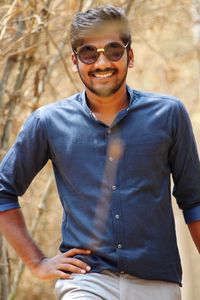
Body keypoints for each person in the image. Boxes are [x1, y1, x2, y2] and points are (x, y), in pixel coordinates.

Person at [0, 5, 199, 300]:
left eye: (113, 50)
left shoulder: (169, 115)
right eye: (89, 53)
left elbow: (194, 201)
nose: (101, 62)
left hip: (157, 284)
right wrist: (38, 262)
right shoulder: (48, 122)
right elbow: (4, 190)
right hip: (86, 282)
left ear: (130, 56)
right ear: (74, 61)